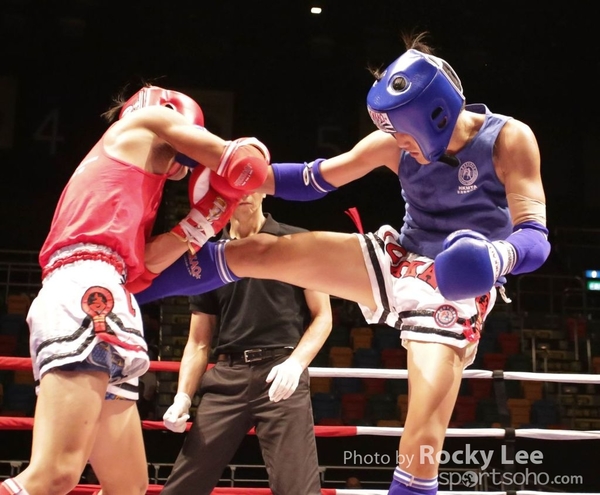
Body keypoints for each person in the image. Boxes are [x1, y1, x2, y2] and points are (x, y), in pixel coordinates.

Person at [135, 31, 550, 495]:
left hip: (455, 287)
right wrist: (229, 162)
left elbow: (535, 237)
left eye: (403, 132)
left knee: (422, 439)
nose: (398, 142)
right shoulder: (392, 144)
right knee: (257, 251)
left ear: (435, 115)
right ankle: (130, 288)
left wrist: (496, 257)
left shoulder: (508, 139)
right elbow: (312, 180)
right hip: (399, 258)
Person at [0, 84, 269, 495]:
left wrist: (209, 215)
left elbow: (146, 266)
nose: (182, 166)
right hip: (87, 289)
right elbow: (242, 164)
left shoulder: (129, 180)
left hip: (108, 289)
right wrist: (251, 155)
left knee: (128, 486)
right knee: (54, 475)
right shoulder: (146, 121)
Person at [159, 191, 332, 495]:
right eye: (235, 188)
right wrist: (182, 396)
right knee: (183, 487)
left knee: (298, 490)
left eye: (252, 184)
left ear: (265, 189)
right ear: (223, 195)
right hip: (227, 377)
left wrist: (295, 363)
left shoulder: (297, 242)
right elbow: (198, 341)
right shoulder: (209, 257)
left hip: (281, 374)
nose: (245, 194)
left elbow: (323, 317)